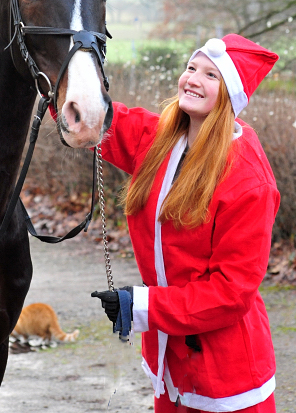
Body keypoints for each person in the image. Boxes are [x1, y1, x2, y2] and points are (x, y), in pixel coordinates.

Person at [92, 34, 280, 412]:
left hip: (225, 376)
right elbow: (94, 115)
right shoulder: (160, 139)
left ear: (230, 96)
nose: (192, 79)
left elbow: (232, 291)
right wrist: (58, 68)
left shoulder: (249, 182)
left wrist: (141, 305)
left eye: (211, 75)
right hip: (172, 365)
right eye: (191, 68)